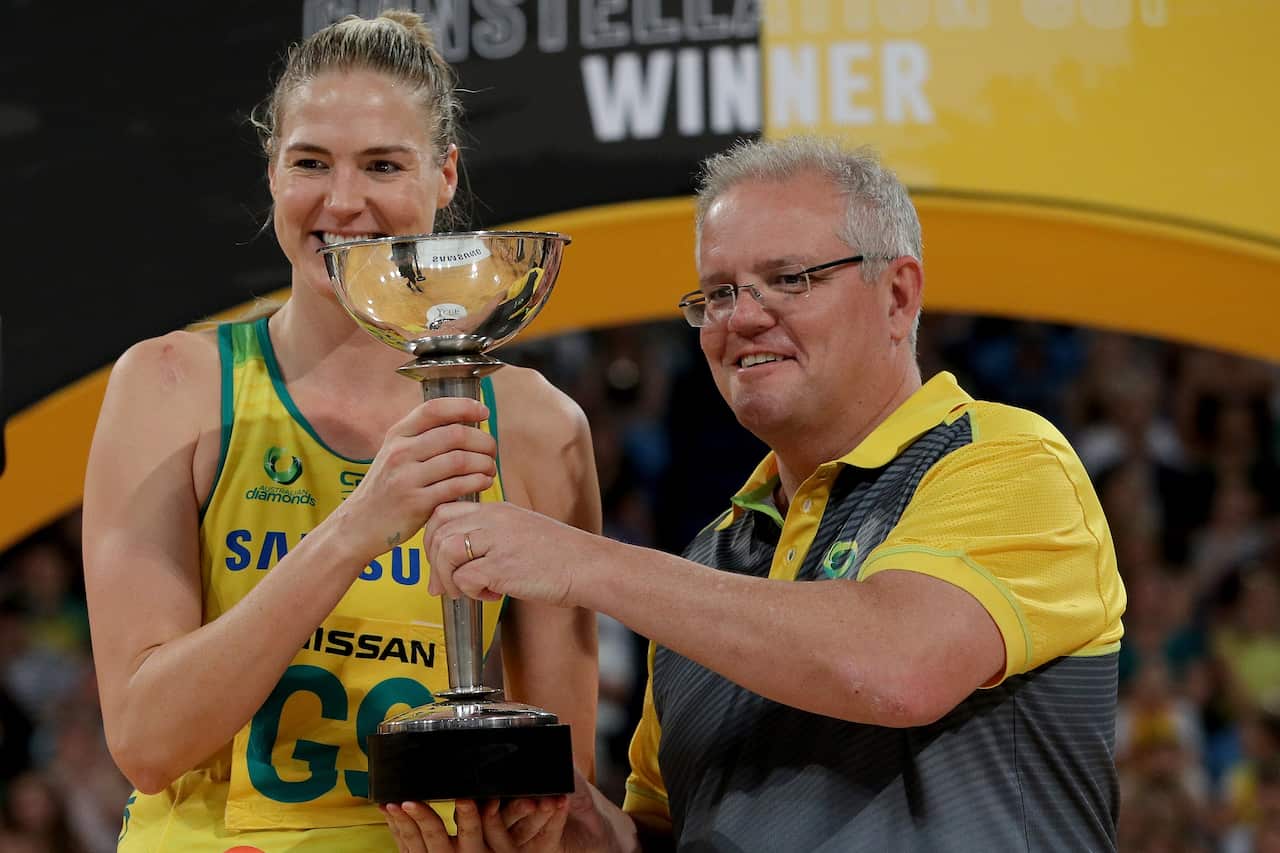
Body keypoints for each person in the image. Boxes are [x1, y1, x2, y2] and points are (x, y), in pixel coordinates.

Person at [388, 135, 1128, 851]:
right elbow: (664, 834)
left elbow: (899, 667)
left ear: (898, 296)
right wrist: (566, 824)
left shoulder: (1007, 459)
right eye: (718, 293)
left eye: (790, 278)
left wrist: (584, 562)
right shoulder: (706, 564)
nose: (741, 316)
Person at [81, 11, 599, 852]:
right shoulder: (171, 385)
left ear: (444, 176)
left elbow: (559, 781)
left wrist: (512, 819)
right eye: (310, 162)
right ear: (272, 173)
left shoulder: (540, 426)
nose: (344, 200)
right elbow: (146, 740)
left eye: (383, 165)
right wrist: (358, 526)